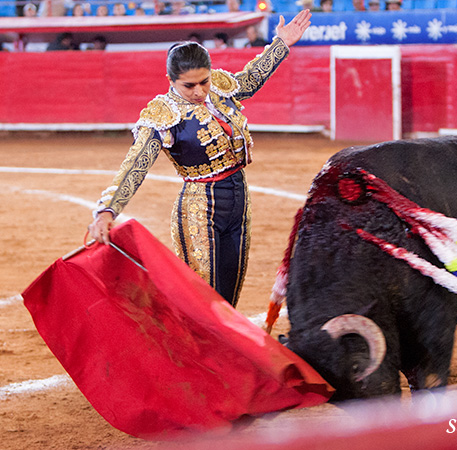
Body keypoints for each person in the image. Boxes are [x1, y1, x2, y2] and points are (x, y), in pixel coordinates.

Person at [87, 10, 312, 308]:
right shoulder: (163, 113)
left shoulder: (218, 87)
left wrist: (280, 45)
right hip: (200, 206)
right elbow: (135, 166)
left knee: (229, 297)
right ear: (170, 80)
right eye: (188, 86)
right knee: (202, 299)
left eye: (203, 82)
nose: (199, 91)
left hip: (238, 196)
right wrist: (107, 210)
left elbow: (251, 79)